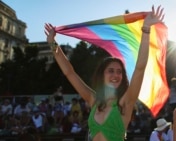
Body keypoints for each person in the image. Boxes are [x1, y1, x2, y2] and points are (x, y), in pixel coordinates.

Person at [45, 5, 165, 141]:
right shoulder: (93, 100)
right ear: (102, 75)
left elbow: (140, 68)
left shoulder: (126, 102)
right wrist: (52, 43)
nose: (116, 75)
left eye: (119, 72)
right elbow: (69, 73)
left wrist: (146, 29)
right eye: (111, 71)